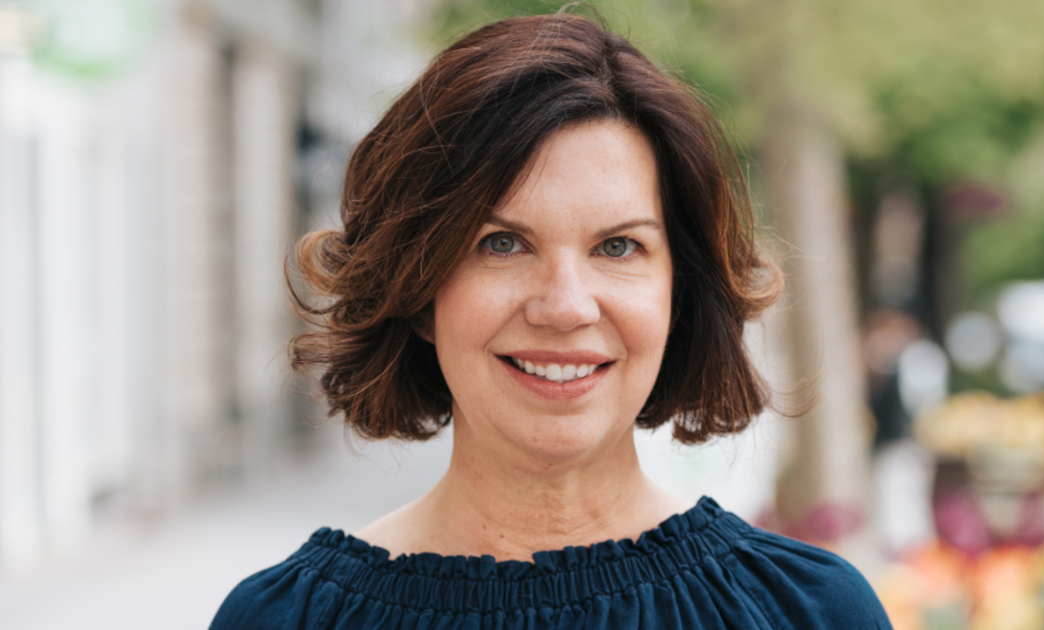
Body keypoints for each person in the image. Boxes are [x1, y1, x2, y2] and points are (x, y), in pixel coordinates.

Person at [209, 12, 892, 630]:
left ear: (679, 294)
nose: (565, 306)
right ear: (417, 289)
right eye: (501, 243)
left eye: (618, 246)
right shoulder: (281, 621)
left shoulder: (809, 613)